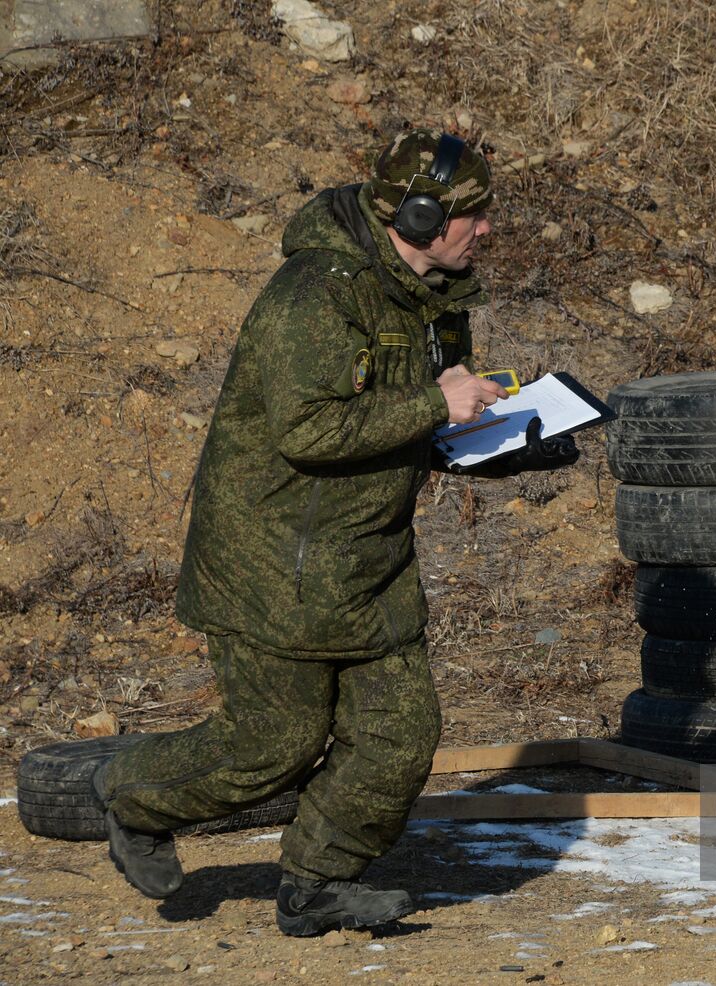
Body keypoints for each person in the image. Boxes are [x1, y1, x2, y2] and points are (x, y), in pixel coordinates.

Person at [92, 128, 578, 935]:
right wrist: (435, 405)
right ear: (421, 219)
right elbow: (309, 430)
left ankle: (317, 881)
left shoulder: (434, 300)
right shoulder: (315, 294)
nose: (487, 229)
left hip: (366, 559)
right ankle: (133, 799)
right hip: (272, 558)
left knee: (399, 736)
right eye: (473, 216)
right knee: (273, 744)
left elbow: (414, 426)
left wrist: (506, 445)